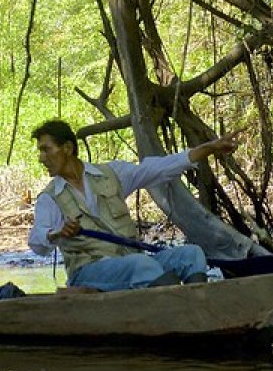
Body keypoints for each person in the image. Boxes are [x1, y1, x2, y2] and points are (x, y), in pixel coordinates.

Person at [27, 120, 240, 291]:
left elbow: (159, 168)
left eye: (46, 150)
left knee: (191, 255)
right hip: (88, 272)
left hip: (129, 260)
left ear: (67, 148)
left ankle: (197, 310)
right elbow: (38, 242)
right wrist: (58, 234)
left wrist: (208, 148)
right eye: (40, 151)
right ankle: (180, 315)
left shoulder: (111, 174)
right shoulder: (49, 198)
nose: (41, 158)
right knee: (142, 265)